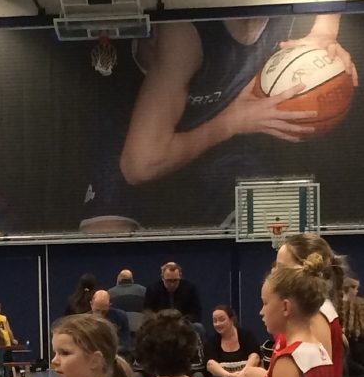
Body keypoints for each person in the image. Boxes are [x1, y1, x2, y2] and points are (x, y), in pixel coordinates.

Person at [81, 15, 356, 233]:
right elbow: (140, 165)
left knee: (276, 237)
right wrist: (232, 122)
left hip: (227, 126)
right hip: (140, 127)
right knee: (106, 245)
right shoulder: (186, 33)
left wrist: (325, 32)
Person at [204, 304, 261, 377]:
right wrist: (228, 376)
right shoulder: (211, 341)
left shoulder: (246, 335)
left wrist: (243, 374)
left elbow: (255, 357)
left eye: (222, 320)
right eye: (215, 321)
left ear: (231, 319)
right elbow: (210, 364)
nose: (218, 324)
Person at [90, 288, 131, 354]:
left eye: (104, 311)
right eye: (97, 310)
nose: (100, 315)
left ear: (109, 306)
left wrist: (110, 351)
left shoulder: (120, 317)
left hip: (116, 354)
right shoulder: (84, 321)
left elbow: (125, 343)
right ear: (91, 304)